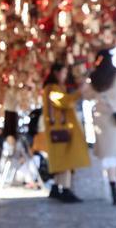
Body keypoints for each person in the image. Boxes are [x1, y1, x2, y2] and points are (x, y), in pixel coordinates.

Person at [81, 49, 116, 205]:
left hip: (103, 123)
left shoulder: (94, 79)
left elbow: (86, 95)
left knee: (110, 161)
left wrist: (88, 75)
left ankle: (114, 194)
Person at [41, 63, 90, 203]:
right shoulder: (52, 89)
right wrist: (79, 92)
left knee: (62, 161)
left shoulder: (51, 88)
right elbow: (64, 101)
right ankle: (66, 190)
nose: (64, 75)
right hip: (60, 130)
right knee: (66, 161)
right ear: (56, 73)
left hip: (58, 130)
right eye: (63, 72)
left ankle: (56, 188)